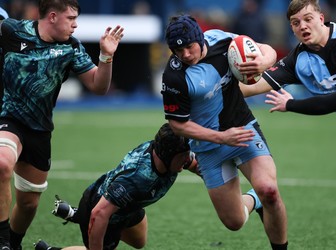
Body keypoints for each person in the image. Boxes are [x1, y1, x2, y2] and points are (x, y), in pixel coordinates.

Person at [239, 0, 336, 249]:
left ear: (321, 18)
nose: (302, 26)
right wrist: (213, 92)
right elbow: (254, 86)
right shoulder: (297, 60)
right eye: (295, 23)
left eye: (308, 18)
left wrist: (291, 104)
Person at [0, 0, 124, 249]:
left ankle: (13, 243)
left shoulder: (71, 47)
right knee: (2, 163)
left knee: (28, 204)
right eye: (71, 19)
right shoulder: (12, 31)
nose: (75, 24)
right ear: (53, 17)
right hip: (8, 118)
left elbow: (98, 87)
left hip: (40, 130)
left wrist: (106, 57)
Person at [161, 14, 288, 249]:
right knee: (235, 221)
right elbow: (177, 124)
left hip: (243, 129)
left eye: (190, 47)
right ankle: (253, 201)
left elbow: (267, 49)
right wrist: (221, 137)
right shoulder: (173, 76)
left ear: (200, 38)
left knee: (269, 190)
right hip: (209, 148)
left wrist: (262, 62)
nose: (186, 55)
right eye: (178, 51)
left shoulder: (222, 40)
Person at [33, 123, 199, 250]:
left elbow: (195, 164)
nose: (187, 159)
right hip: (100, 209)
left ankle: (76, 215)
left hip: (129, 207)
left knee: (139, 241)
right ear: (167, 154)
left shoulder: (171, 154)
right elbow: (99, 214)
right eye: (183, 156)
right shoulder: (135, 179)